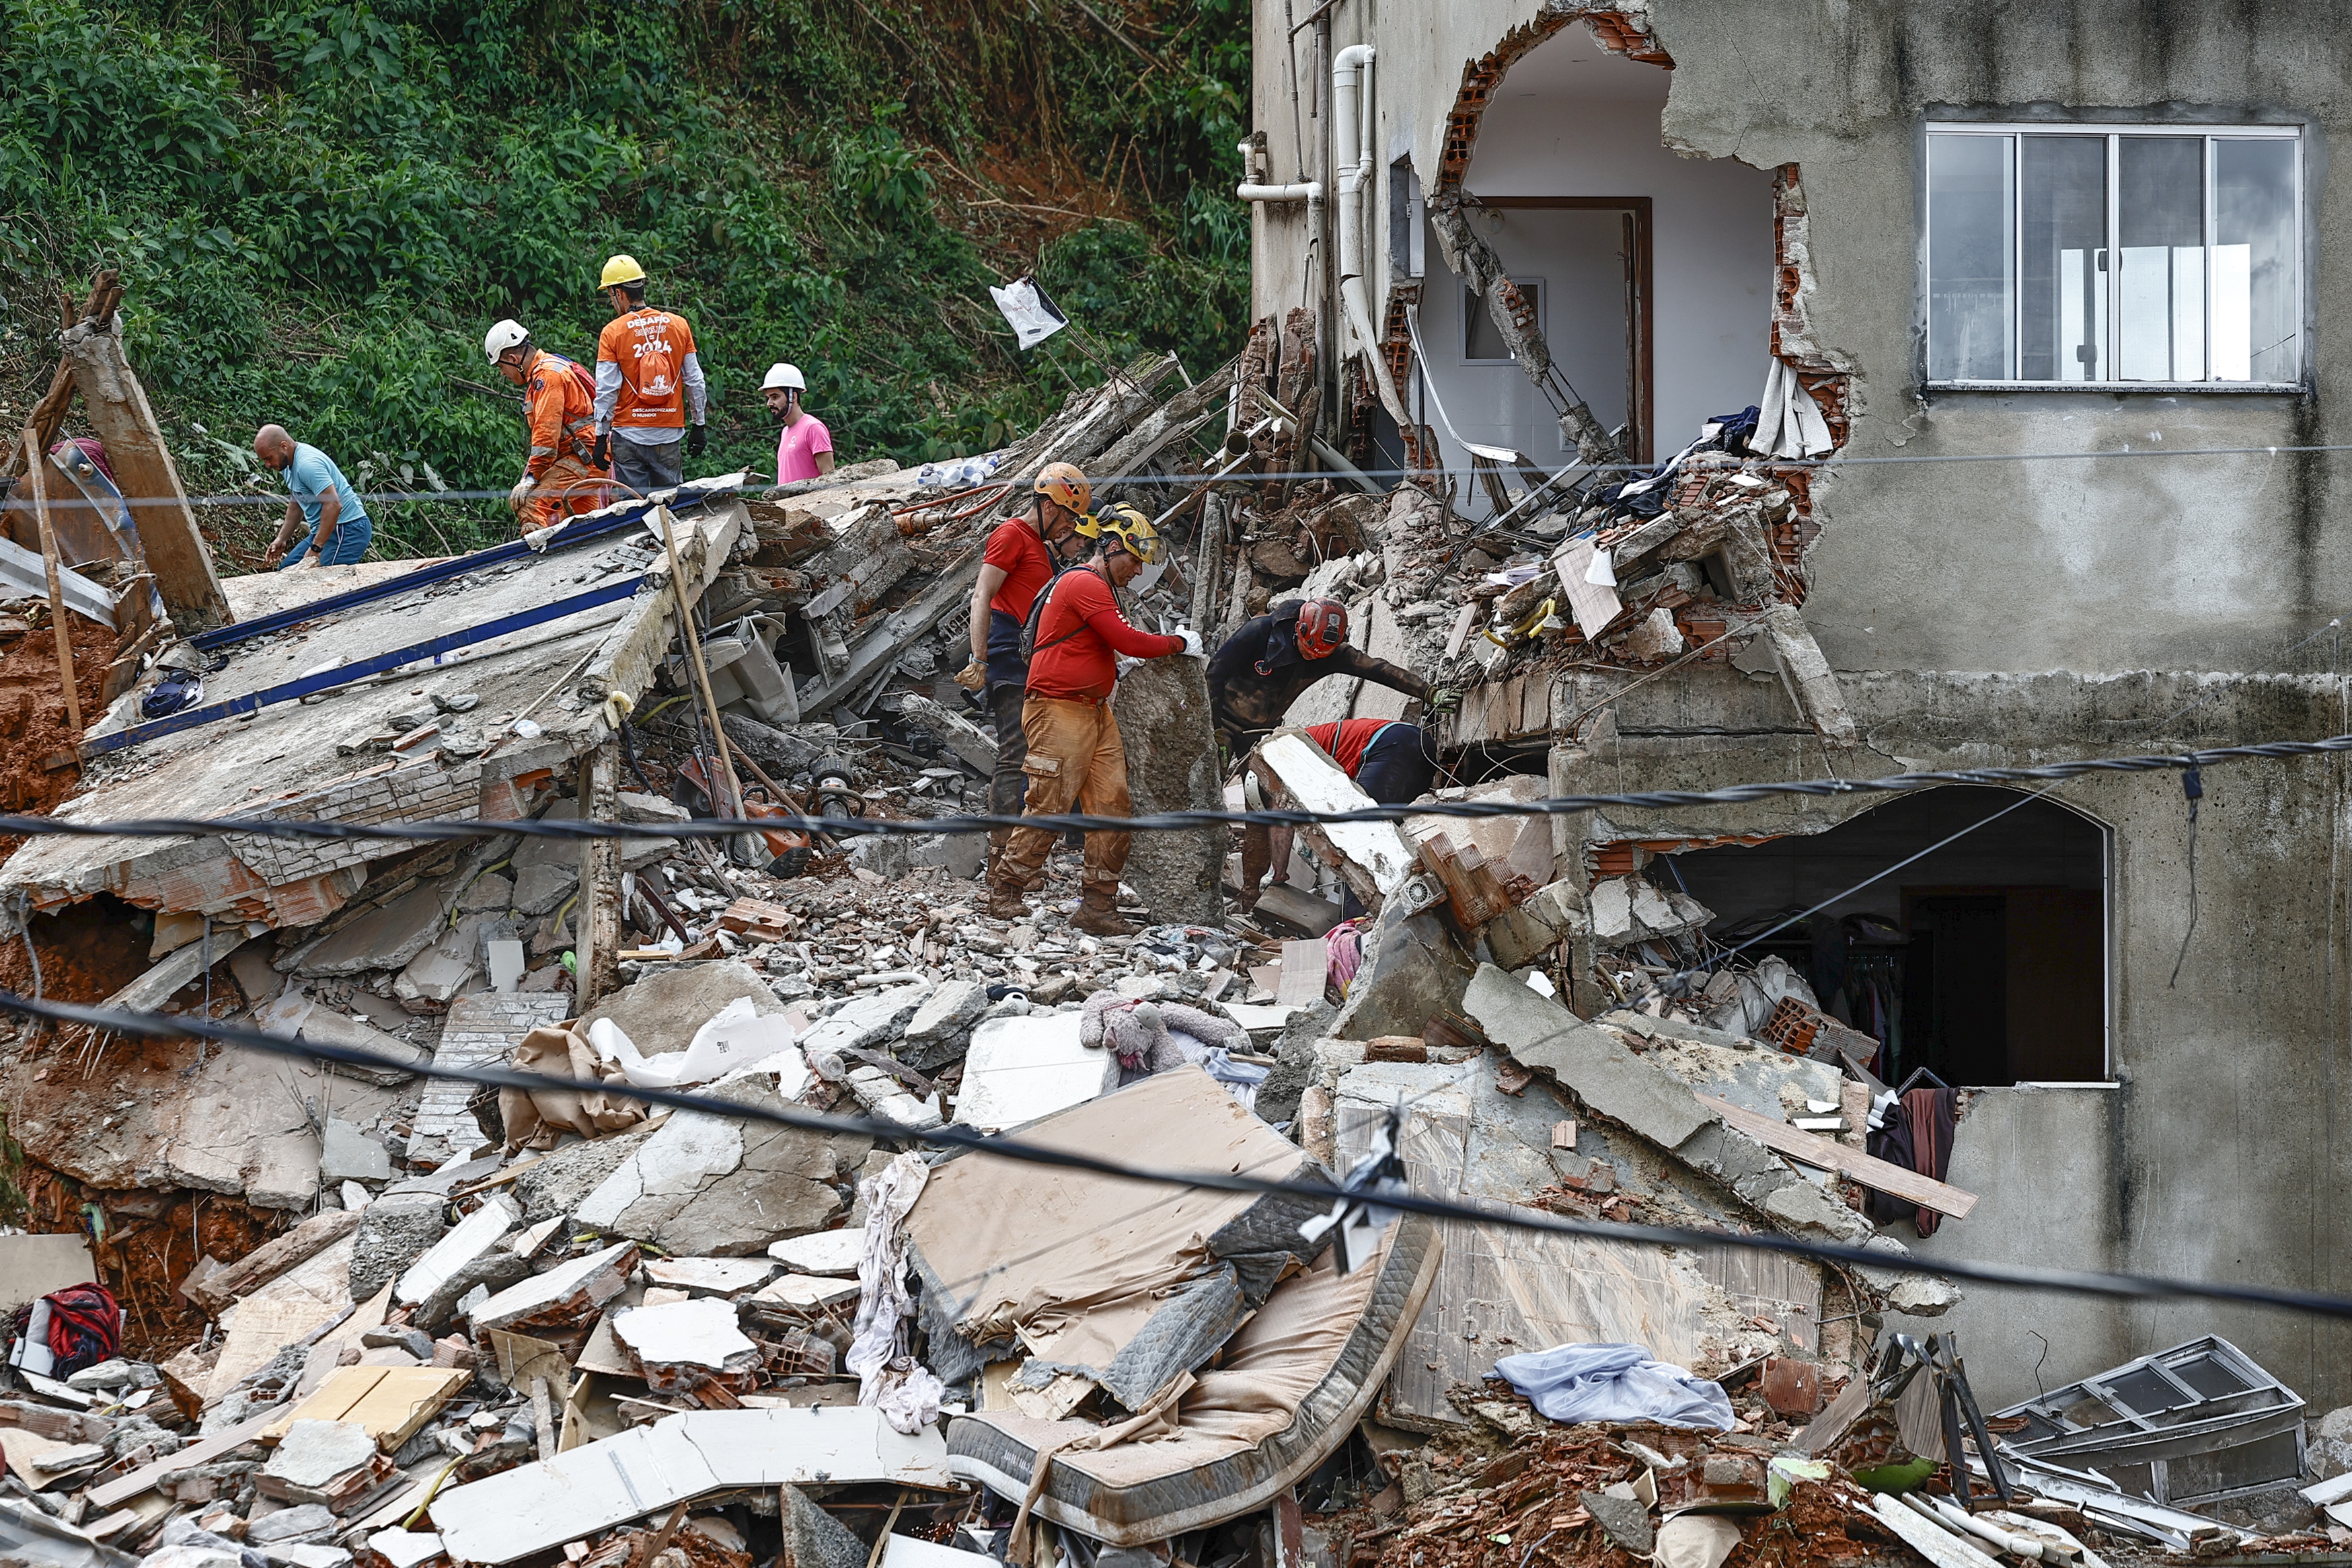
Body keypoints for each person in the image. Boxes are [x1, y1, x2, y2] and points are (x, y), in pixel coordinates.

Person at [985, 504, 1203, 934]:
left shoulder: (1099, 586)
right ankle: (1005, 889)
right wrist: (1178, 643)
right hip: (1058, 707)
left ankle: (1098, 905)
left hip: (1092, 709)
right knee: (1049, 801)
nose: (1138, 570)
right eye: (1135, 558)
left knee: (1113, 805)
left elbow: (1106, 644)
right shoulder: (1086, 583)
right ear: (1113, 547)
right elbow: (1127, 640)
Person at [954, 462, 1094, 879]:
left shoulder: (1042, 551)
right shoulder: (1012, 535)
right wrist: (979, 658)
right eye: (1069, 516)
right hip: (1007, 654)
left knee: (1037, 755)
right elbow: (983, 593)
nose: (1070, 527)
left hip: (1031, 660)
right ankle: (1001, 859)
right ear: (1050, 506)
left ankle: (1022, 856)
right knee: (1015, 752)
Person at [1206, 597, 1453, 754]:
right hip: (1225, 720)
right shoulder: (1261, 632)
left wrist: (1428, 692)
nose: (1314, 657)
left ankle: (1254, 838)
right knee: (1213, 769)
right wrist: (1214, 727)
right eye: (1309, 650)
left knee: (1263, 794)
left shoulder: (1333, 654)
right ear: (1299, 629)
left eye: (1321, 655)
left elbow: (1379, 669)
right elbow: (1215, 673)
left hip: (1262, 730)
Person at [1237, 718, 1437, 912]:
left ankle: (1358, 920)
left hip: (1388, 745)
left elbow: (1281, 822)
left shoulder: (1277, 760)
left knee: (1362, 840)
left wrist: (1278, 875)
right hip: (1417, 741)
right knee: (1395, 842)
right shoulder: (1299, 750)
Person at [589, 254, 707, 496]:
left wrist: (600, 436)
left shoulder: (613, 333)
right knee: (672, 505)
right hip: (668, 432)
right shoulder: (679, 325)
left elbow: (607, 389)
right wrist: (699, 424)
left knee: (632, 511)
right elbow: (695, 380)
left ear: (618, 293)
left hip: (628, 436)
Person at [486, 319, 607, 530]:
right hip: (586, 458)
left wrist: (531, 478)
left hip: (582, 459)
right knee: (583, 525)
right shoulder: (550, 368)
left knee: (531, 506)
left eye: (501, 367)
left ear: (513, 359)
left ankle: (537, 561)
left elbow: (546, 436)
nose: (503, 374)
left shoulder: (547, 377)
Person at [256, 425, 372, 568]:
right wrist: (282, 538)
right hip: (326, 529)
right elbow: (296, 502)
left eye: (269, 458)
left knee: (319, 580)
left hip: (347, 529)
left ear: (283, 446)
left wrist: (316, 548)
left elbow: (333, 505)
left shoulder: (307, 465)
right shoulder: (286, 464)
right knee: (287, 569)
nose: (267, 465)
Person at [762, 364, 835, 482]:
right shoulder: (785, 431)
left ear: (793, 397)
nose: (769, 403)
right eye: (768, 398)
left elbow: (830, 479)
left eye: (775, 397)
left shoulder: (813, 428)